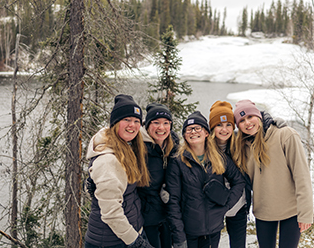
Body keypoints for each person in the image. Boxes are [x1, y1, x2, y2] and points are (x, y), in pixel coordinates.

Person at [233, 99, 314, 248]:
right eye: (242, 120)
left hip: (291, 211)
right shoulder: (241, 146)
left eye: (250, 117)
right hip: (263, 211)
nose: (248, 123)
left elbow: (301, 176)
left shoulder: (285, 135)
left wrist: (306, 213)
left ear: (259, 116)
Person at [166, 111, 245, 248]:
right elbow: (173, 201)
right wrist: (178, 236)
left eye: (198, 128)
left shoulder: (219, 158)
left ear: (207, 133)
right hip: (188, 232)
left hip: (213, 231)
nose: (193, 132)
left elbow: (238, 181)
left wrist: (226, 206)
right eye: (189, 129)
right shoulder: (177, 161)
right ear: (184, 135)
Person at [84, 94, 153, 248]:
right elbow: (111, 213)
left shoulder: (125, 146)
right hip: (112, 241)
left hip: (127, 234)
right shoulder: (109, 160)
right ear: (115, 123)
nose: (132, 125)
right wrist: (136, 242)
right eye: (126, 120)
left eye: (136, 121)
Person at [208, 101, 251, 248]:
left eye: (228, 125)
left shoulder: (241, 143)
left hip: (238, 204)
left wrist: (269, 120)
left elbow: (259, 129)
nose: (224, 129)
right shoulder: (205, 147)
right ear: (212, 127)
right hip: (212, 207)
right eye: (219, 125)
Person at [138, 103, 179, 248]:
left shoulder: (173, 146)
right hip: (146, 218)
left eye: (166, 123)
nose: (161, 128)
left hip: (167, 216)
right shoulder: (138, 147)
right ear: (147, 125)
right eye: (156, 123)